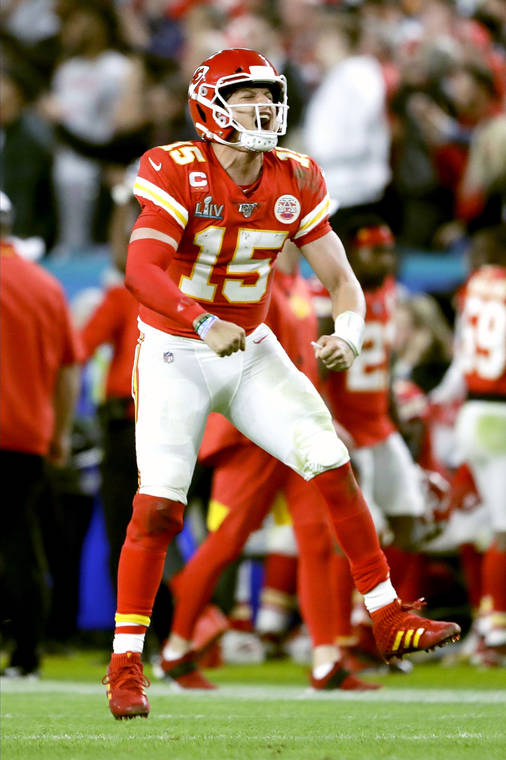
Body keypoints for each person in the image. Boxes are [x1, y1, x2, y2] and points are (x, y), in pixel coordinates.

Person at [102, 47, 460, 720]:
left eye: (269, 96)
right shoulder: (175, 168)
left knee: (329, 456)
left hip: (251, 347)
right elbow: (140, 271)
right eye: (246, 97)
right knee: (160, 506)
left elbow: (342, 279)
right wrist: (200, 319)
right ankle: (126, 664)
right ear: (210, 107)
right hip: (177, 349)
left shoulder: (296, 175)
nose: (263, 109)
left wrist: (347, 333)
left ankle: (386, 616)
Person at [156, 243, 379, 692]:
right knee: (227, 542)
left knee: (316, 541)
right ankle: (176, 649)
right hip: (254, 437)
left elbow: (301, 366)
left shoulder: (295, 284)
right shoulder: (260, 282)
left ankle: (326, 659)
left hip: (293, 431)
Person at [0, 191, 81, 676]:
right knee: (18, 542)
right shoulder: (45, 286)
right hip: (26, 433)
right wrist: (61, 433)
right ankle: (26, 655)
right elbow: (70, 368)